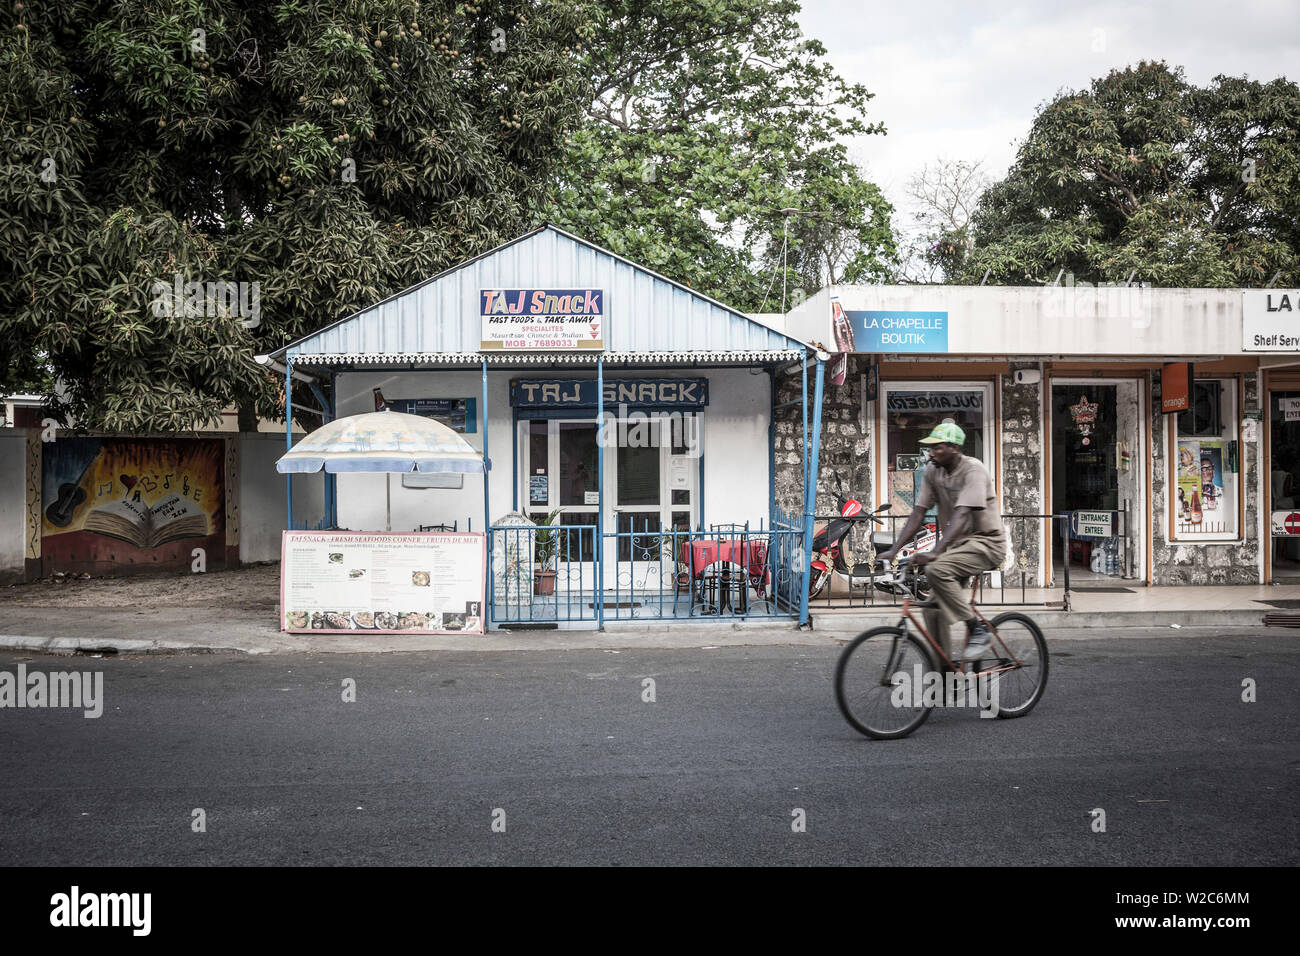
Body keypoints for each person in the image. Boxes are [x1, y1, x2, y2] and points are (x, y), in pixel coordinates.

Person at [878, 422, 1007, 663]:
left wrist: (935, 552)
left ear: (955, 448)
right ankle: (946, 676)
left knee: (937, 568)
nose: (932, 452)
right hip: (958, 548)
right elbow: (918, 513)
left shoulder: (974, 471)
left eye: (938, 448)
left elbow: (963, 514)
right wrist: (894, 550)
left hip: (986, 543)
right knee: (933, 612)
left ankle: (976, 627)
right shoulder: (932, 472)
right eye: (930, 448)